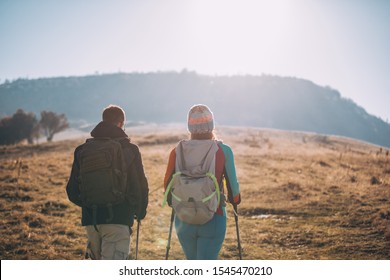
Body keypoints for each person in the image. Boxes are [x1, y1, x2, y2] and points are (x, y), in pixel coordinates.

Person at [66, 104, 149, 260]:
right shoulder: (129, 149)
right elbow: (140, 185)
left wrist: (91, 205)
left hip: (91, 222)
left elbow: (72, 191)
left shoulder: (83, 150)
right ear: (120, 123)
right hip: (119, 218)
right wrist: (140, 211)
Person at [163, 104, 240, 260]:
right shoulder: (223, 151)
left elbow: (168, 187)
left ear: (189, 126)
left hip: (184, 218)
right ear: (211, 125)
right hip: (214, 216)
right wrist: (235, 201)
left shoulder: (177, 150)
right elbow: (234, 194)